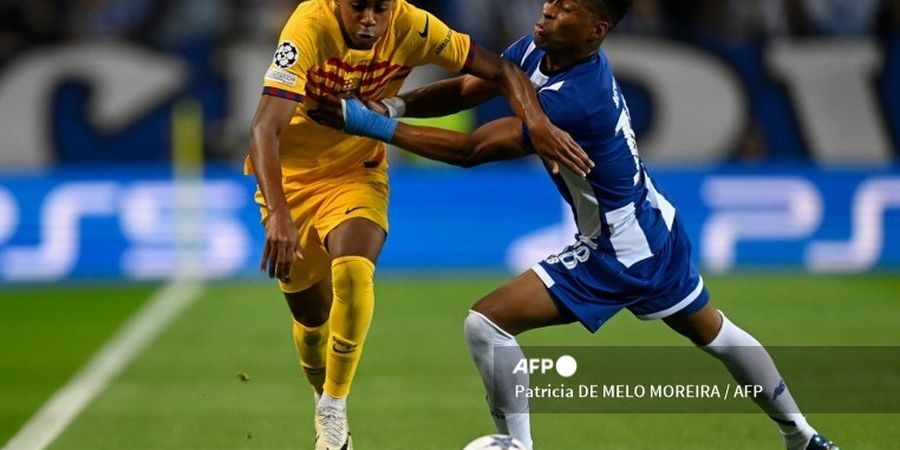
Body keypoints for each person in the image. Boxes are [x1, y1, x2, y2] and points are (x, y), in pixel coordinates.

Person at [313, 1, 840, 449]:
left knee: (486, 324)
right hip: (651, 221)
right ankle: (803, 436)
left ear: (596, 31)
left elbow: (473, 149)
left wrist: (368, 122)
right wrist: (396, 103)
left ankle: (516, 444)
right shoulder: (540, 50)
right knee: (715, 333)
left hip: (618, 247)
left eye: (567, 8)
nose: (549, 9)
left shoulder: (577, 101)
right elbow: (472, 88)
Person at [245, 1, 593, 449]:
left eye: (380, 8)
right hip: (291, 183)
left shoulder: (414, 26)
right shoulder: (309, 26)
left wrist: (537, 121)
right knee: (311, 321)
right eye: (358, 8)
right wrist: (278, 214)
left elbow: (502, 70)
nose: (369, 19)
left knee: (354, 269)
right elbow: (262, 127)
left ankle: (334, 409)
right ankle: (320, 391)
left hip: (356, 171)